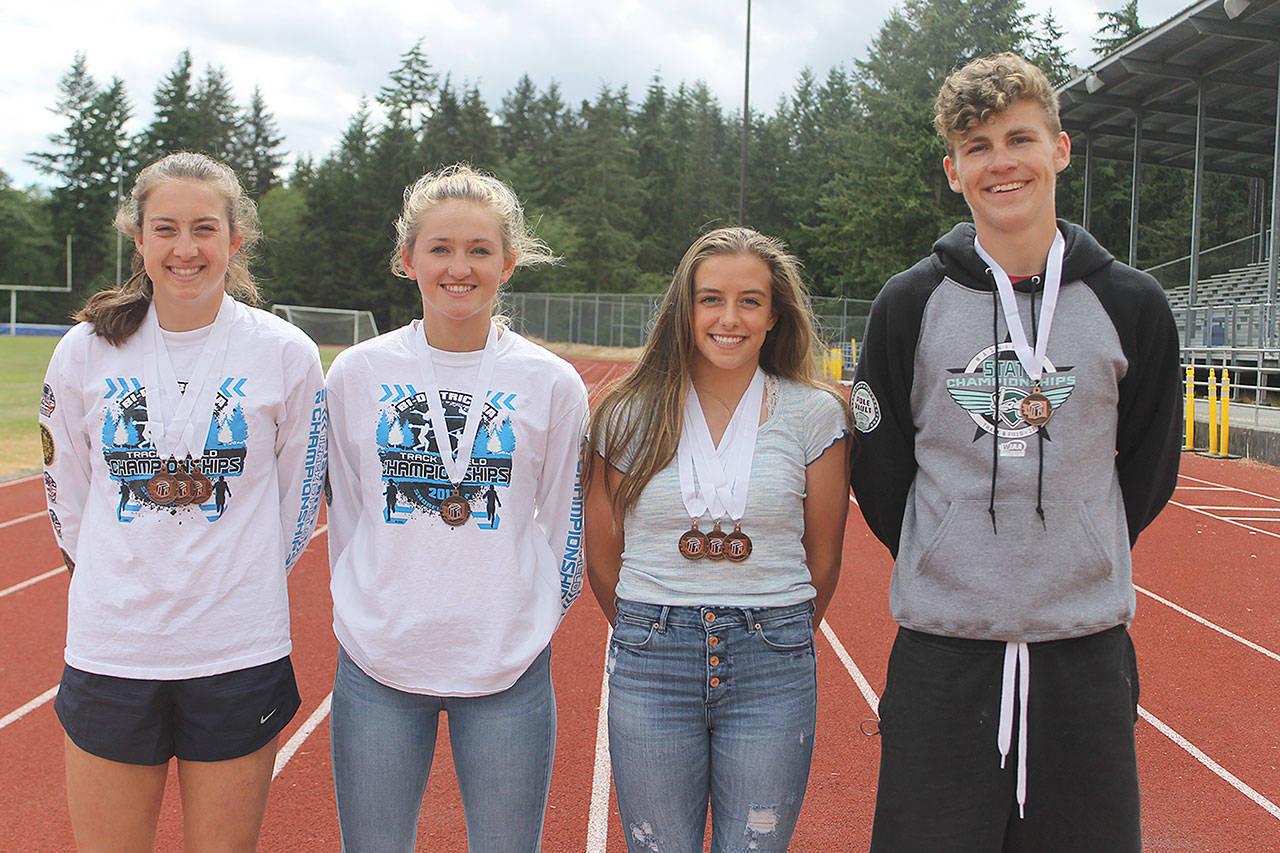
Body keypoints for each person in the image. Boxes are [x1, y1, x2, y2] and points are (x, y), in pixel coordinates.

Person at [849, 53, 1182, 851]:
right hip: (943, 651)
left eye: (1019, 138)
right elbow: (883, 468)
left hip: (1083, 652)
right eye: (977, 146)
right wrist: (953, 552)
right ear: (953, 170)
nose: (1001, 161)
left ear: (1060, 150)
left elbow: (1146, 467)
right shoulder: (910, 302)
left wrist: (1074, 545)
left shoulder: (1130, 303)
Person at [40, 151, 327, 851]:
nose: (186, 248)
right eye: (165, 229)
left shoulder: (286, 354)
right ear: (138, 239)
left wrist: (238, 577)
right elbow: (66, 496)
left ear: (235, 239)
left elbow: (298, 498)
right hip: (114, 650)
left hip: (236, 648)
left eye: (205, 228)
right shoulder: (82, 351)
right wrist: (120, 576)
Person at [325, 164, 588, 852]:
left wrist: (528, 615)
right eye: (440, 248)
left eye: (479, 249)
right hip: (380, 659)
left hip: (507, 663)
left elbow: (566, 516)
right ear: (408, 260)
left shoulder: (551, 382)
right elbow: (350, 505)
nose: (459, 267)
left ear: (508, 262)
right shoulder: (357, 373)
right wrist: (368, 602)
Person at [584, 226, 852, 852]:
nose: (728, 318)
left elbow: (826, 556)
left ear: (774, 315)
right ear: (685, 307)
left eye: (750, 301)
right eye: (711, 299)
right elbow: (603, 556)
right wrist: (649, 626)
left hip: (773, 660)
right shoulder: (626, 411)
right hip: (653, 657)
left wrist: (774, 628)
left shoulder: (815, 414)